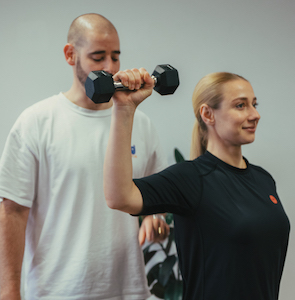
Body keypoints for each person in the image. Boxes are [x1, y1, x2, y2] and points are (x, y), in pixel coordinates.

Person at [0, 13, 170, 300]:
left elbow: (158, 195)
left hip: (128, 290)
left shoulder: (140, 124)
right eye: (98, 57)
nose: (110, 67)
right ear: (71, 55)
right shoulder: (36, 122)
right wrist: (9, 292)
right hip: (57, 291)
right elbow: (13, 212)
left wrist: (156, 216)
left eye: (115, 57)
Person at [103, 70, 290, 300]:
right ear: (208, 114)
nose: (255, 114)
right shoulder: (191, 178)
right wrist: (124, 109)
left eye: (254, 104)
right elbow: (119, 196)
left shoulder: (263, 180)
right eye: (241, 106)